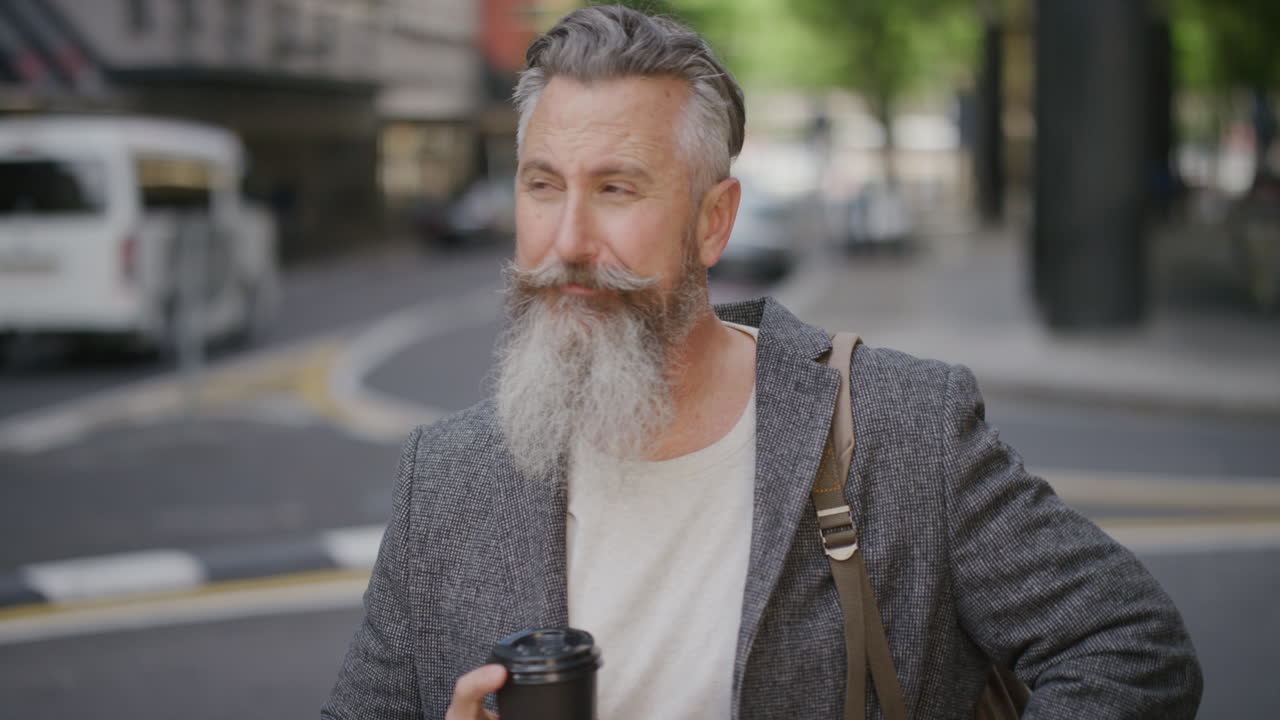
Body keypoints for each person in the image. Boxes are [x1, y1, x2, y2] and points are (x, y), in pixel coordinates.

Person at [323, 6, 1201, 719]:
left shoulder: (902, 426)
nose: (567, 241)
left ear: (714, 221)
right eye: (542, 185)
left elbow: (1131, 648)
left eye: (618, 188)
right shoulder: (444, 479)